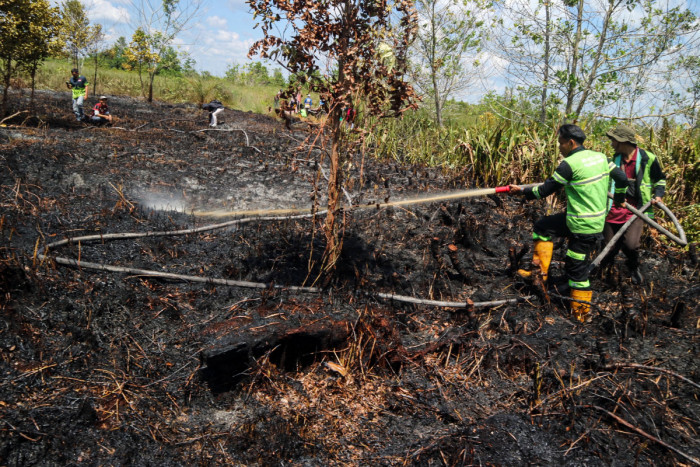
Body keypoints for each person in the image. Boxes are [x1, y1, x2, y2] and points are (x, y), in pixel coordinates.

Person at [508, 124, 629, 323]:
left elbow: (544, 191)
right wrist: (619, 198)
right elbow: (622, 178)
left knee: (577, 270)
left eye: (561, 143)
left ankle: (580, 317)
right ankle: (540, 276)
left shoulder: (569, 164)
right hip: (589, 220)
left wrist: (521, 191)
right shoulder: (601, 158)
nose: (559, 147)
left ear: (571, 142)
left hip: (582, 227)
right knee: (542, 226)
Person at [601, 125, 666, 284]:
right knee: (608, 248)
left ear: (622, 141)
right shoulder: (613, 160)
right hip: (613, 209)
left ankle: (633, 266)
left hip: (636, 210)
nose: (611, 143)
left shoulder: (647, 158)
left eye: (613, 140)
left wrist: (658, 195)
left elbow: (660, 179)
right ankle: (604, 277)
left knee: (631, 245)